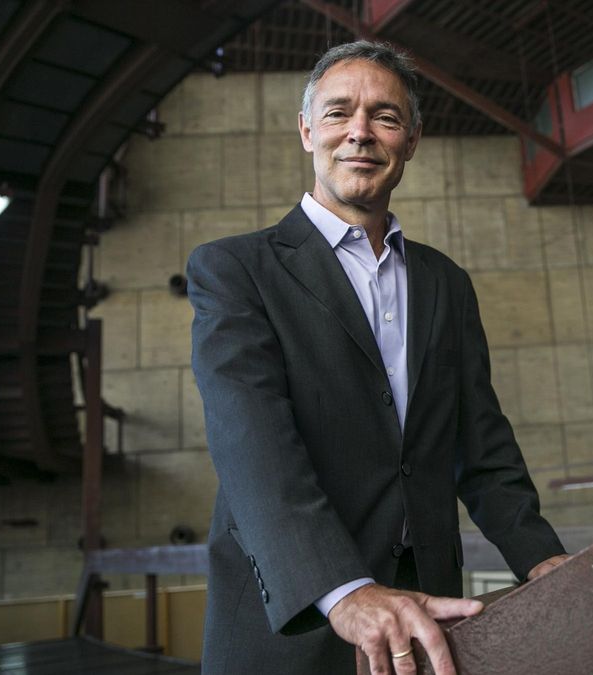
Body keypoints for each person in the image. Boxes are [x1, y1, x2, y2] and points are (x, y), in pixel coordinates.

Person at [187, 40, 568, 675]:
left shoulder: (445, 283)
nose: (359, 133)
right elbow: (252, 444)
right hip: (293, 625)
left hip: (427, 626)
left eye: (385, 117)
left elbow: (481, 446)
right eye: (338, 113)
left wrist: (542, 559)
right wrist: (344, 589)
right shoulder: (234, 270)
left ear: (411, 139)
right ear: (307, 130)